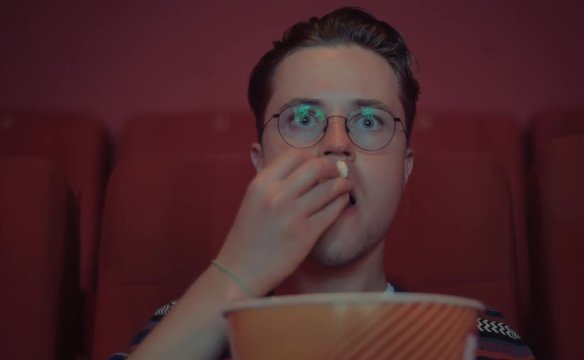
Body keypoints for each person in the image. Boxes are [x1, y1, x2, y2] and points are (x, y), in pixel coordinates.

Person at [109, 7, 534, 359]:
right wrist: (233, 276)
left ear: (405, 170)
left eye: (368, 121)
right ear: (261, 168)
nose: (336, 146)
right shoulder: (188, 326)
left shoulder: (478, 339)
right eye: (303, 119)